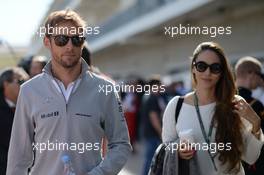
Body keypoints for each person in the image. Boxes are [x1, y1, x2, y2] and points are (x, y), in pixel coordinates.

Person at [7, 9, 131, 175]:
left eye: (76, 39)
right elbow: (18, 157)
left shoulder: (105, 90)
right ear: (47, 41)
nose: (69, 46)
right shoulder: (29, 91)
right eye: (61, 39)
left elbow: (121, 144)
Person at [162, 42, 264, 175]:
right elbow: (166, 149)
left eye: (215, 68)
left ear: (222, 72)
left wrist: (255, 123)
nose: (207, 72)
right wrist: (178, 152)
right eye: (201, 66)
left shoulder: (235, 104)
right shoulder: (176, 106)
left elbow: (250, 157)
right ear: (193, 68)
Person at [235, 56, 264, 175]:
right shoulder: (255, 104)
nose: (260, 79)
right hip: (255, 165)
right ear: (251, 74)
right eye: (260, 75)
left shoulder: (224, 99)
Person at [0, 67, 29, 175]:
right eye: (21, 81)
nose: (25, 85)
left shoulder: (29, 106)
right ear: (6, 84)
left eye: (27, 81)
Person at [142, 76, 166, 175]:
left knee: (150, 158)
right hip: (153, 133)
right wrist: (161, 132)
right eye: (160, 85)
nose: (161, 87)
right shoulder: (152, 98)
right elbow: (154, 117)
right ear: (155, 85)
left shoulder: (147, 96)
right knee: (151, 159)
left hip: (149, 132)